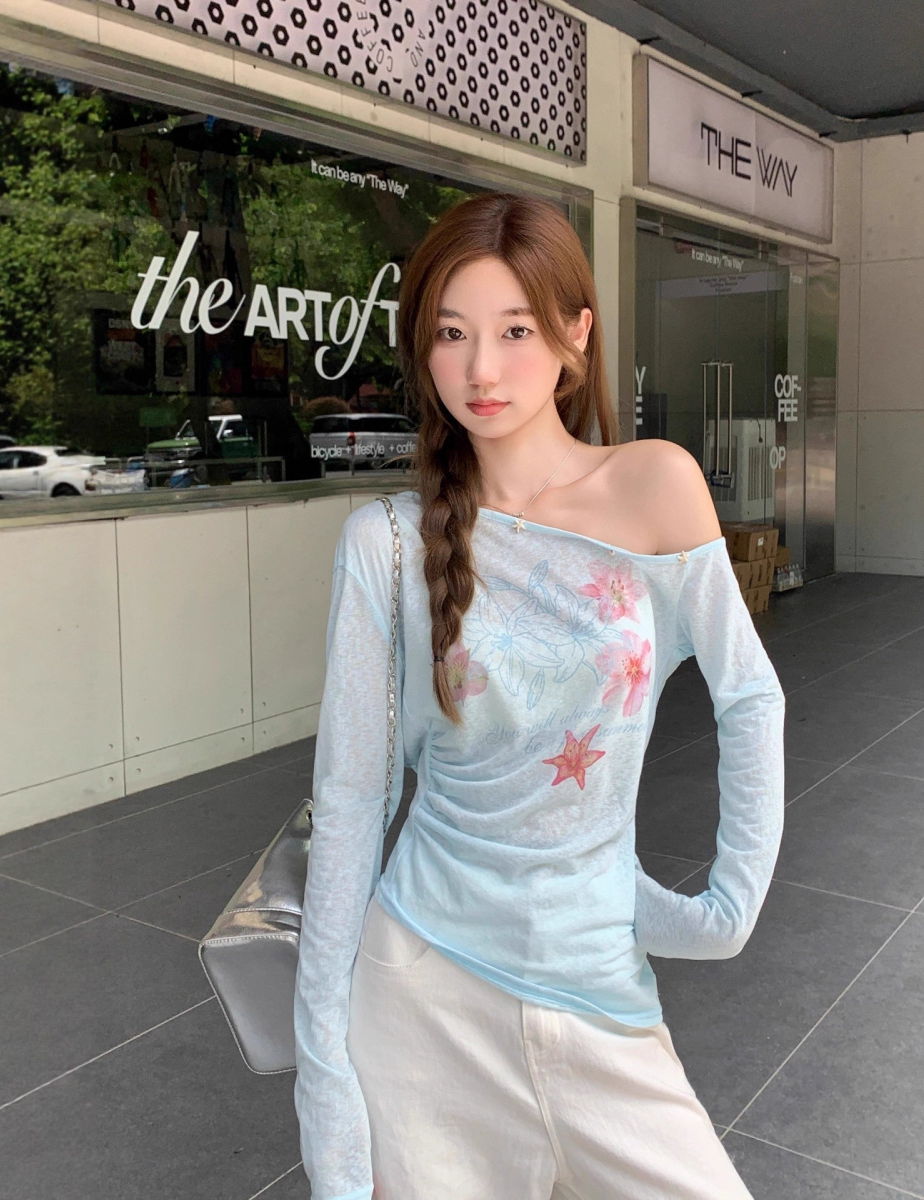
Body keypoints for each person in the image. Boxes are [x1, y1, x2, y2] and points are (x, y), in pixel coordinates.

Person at [293, 192, 786, 1200]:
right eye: (452, 334)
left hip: (598, 987)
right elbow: (349, 802)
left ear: (576, 335)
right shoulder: (386, 544)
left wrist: (722, 914)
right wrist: (324, 1078)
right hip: (420, 992)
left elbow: (749, 696)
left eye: (515, 331)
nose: (482, 369)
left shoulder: (654, 485)